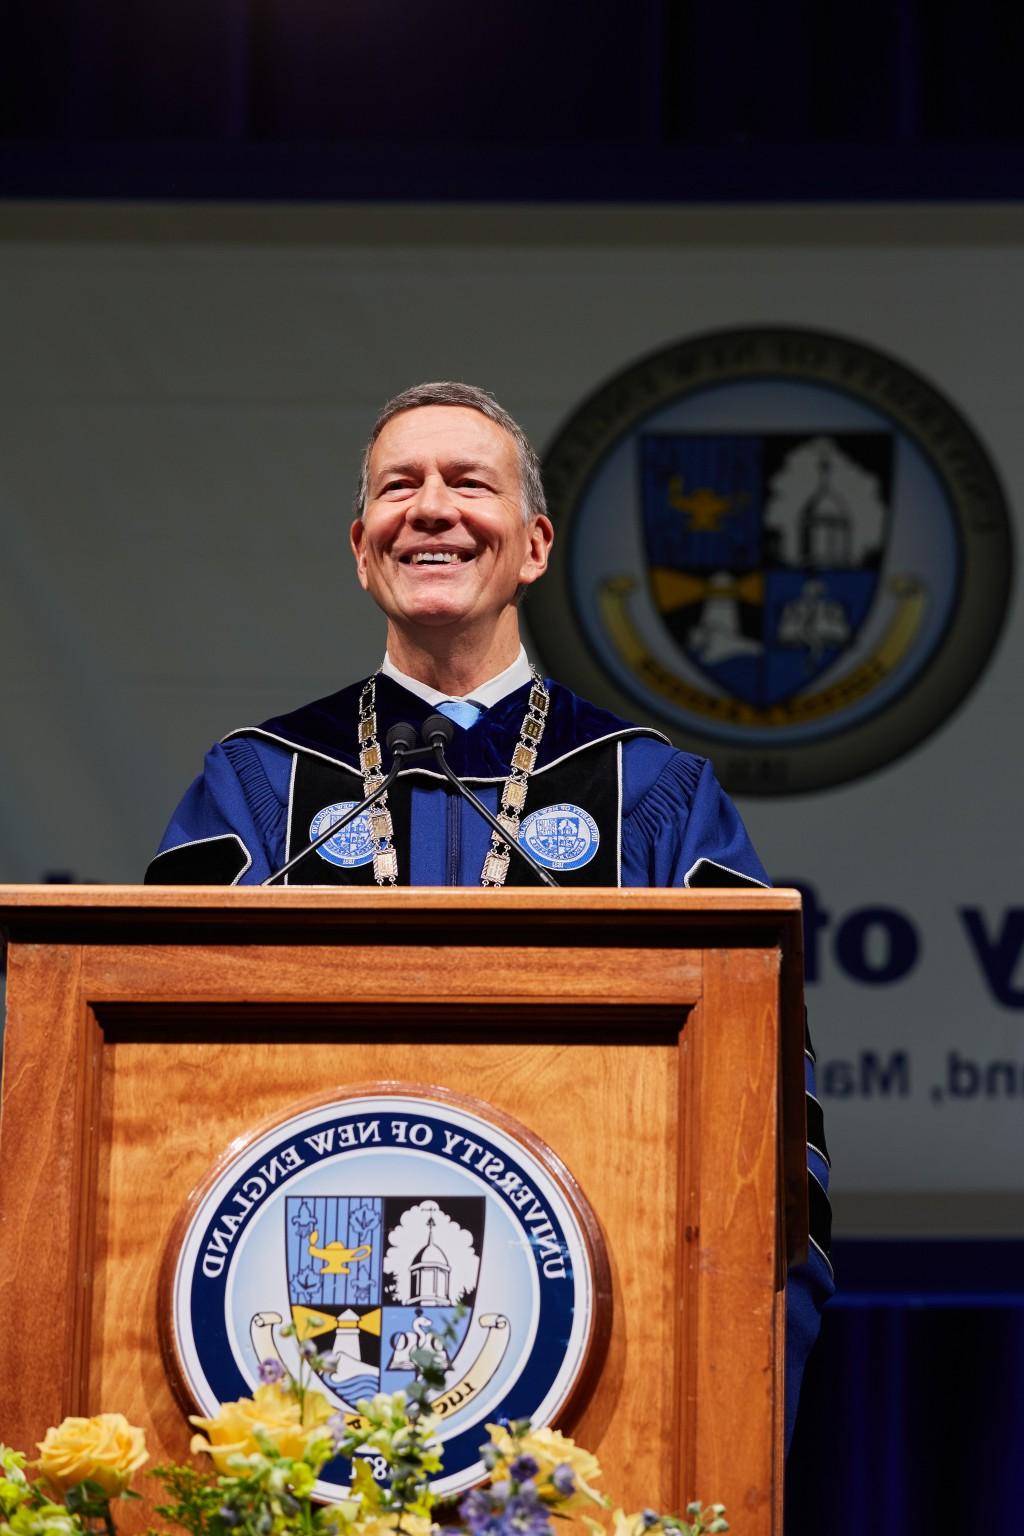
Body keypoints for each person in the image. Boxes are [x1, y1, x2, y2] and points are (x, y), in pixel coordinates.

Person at [147, 380, 833, 1443]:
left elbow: (763, 1127)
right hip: (281, 1352)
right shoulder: (258, 784)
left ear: (533, 545)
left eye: (469, 483)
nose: (430, 507)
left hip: (599, 1374)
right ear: (362, 543)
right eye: (397, 487)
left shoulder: (651, 791)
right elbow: (153, 1103)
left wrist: (740, 1379)